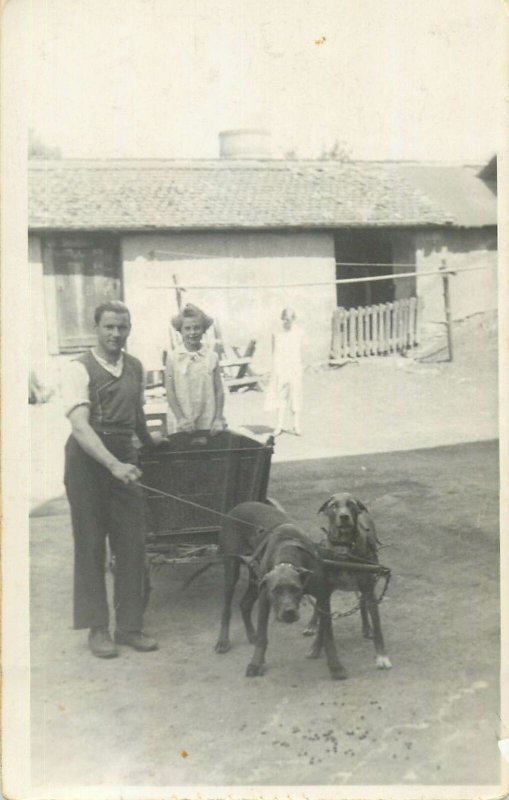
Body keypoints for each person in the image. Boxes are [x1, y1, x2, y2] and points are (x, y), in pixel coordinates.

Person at [62, 300, 160, 658]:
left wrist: (151, 442)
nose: (116, 334)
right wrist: (114, 465)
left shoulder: (134, 366)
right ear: (96, 329)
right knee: (90, 545)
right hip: (87, 463)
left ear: (129, 329)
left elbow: (136, 414)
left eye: (122, 327)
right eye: (109, 327)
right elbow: (80, 427)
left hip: (124, 459)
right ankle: (97, 628)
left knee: (132, 543)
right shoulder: (78, 369)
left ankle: (130, 627)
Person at [165, 303, 226, 434]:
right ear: (180, 330)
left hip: (207, 418)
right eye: (187, 328)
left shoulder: (212, 357)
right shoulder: (173, 358)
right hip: (182, 420)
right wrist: (181, 418)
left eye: (197, 328)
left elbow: (219, 391)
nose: (192, 332)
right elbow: (170, 391)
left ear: (203, 330)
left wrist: (218, 418)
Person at [265, 307, 304, 436]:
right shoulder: (276, 333)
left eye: (289, 320)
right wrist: (275, 369)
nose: (286, 322)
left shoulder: (299, 332)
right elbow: (273, 351)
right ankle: (279, 426)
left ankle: (296, 426)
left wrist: (298, 368)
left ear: (293, 319)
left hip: (294, 368)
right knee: (280, 397)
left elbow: (301, 351)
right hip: (281, 368)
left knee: (295, 396)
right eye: (284, 319)